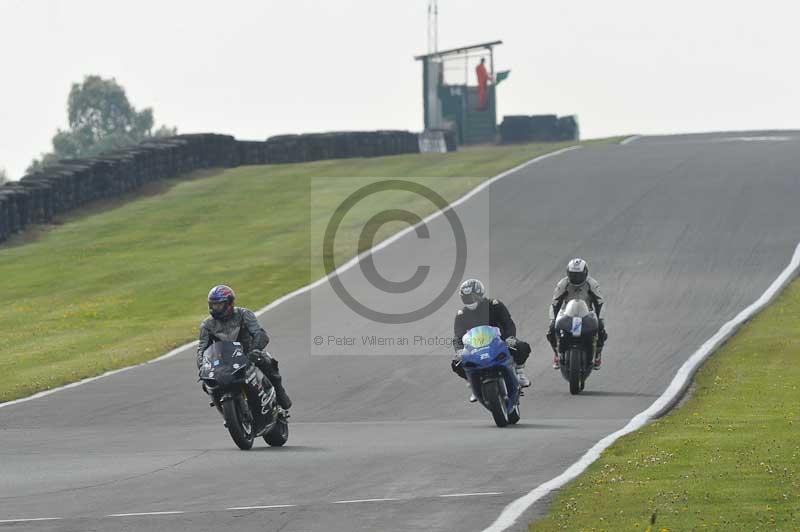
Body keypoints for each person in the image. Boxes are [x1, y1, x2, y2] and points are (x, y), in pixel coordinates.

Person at [197, 285, 292, 409]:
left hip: (248, 354)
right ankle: (223, 409)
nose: (215, 309)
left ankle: (280, 393)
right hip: (223, 361)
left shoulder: (244, 314)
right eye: (213, 305)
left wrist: (254, 350)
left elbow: (259, 334)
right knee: (206, 382)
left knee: (266, 361)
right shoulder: (207, 325)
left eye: (219, 305)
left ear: (229, 303)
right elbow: (202, 349)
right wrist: (202, 365)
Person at [451, 279, 532, 402]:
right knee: (456, 362)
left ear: (480, 294)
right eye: (466, 298)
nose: (470, 300)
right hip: (475, 347)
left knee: (522, 347)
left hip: (499, 342)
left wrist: (510, 337)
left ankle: (519, 371)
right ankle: (472, 383)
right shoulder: (461, 314)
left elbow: (508, 324)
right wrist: (459, 350)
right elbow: (458, 336)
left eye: (472, 297)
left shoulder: (495, 305)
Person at [546, 258, 608, 370]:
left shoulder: (592, 284)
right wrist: (553, 320)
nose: (576, 278)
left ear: (585, 273)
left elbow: (600, 303)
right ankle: (557, 352)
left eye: (578, 275)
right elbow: (554, 304)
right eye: (573, 275)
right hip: (566, 314)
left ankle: (598, 353)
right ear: (568, 273)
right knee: (551, 329)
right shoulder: (563, 284)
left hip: (587, 313)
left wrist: (600, 319)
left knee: (601, 328)